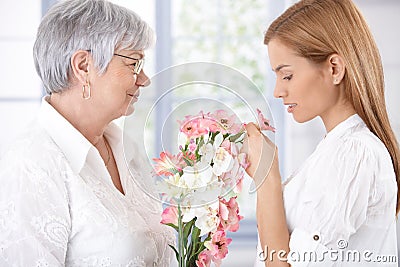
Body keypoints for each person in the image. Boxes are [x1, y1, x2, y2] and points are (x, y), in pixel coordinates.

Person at [0, 0, 175, 266]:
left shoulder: (125, 146)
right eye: (134, 64)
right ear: (83, 67)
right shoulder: (31, 163)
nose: (144, 79)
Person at [244, 0, 400, 266]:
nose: (277, 92)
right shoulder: (334, 150)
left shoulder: (354, 153)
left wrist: (267, 178)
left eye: (287, 76)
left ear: (334, 69)